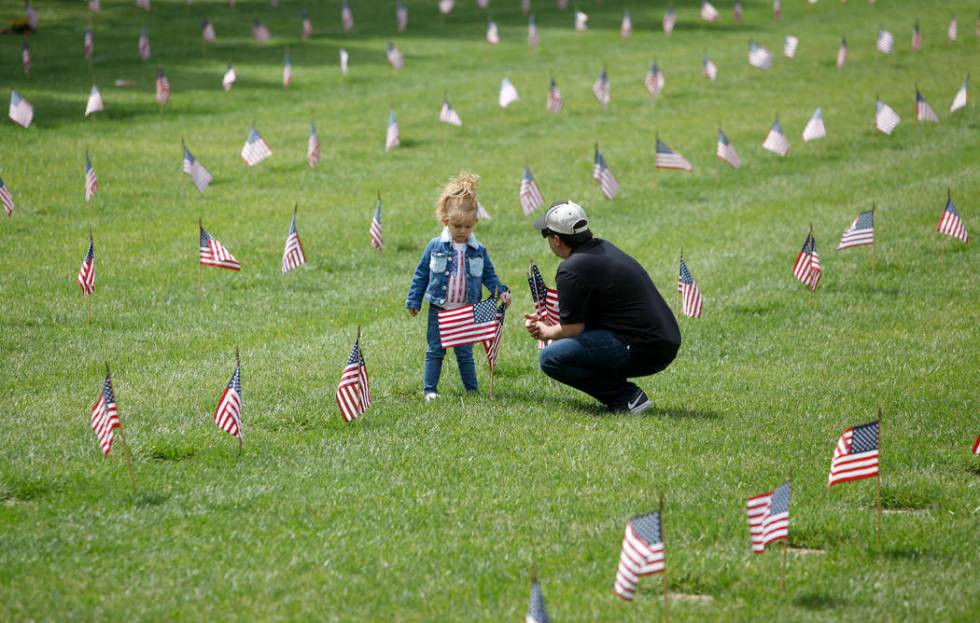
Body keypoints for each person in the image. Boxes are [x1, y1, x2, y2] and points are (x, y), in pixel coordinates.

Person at [524, 200, 680, 413]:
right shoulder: (603, 247)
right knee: (578, 345)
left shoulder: (570, 269)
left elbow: (573, 329)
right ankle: (624, 393)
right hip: (663, 339)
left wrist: (546, 331)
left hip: (644, 347)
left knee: (551, 358)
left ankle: (627, 397)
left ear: (557, 239)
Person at [406, 173, 511, 401]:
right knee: (435, 350)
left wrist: (501, 290)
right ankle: (430, 390)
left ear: (475, 223)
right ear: (445, 220)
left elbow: (489, 275)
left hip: (466, 310)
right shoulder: (436, 246)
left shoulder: (478, 250)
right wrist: (414, 300)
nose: (462, 230)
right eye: (457, 225)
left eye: (467, 226)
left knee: (465, 353)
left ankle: (471, 390)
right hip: (440, 308)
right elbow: (422, 273)